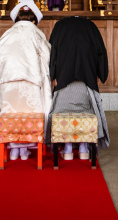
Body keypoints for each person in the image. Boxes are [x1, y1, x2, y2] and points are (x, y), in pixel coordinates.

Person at [0, 0, 52, 161]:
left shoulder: (7, 34)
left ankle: (13, 147)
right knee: (31, 114)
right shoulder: (36, 33)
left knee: (10, 114)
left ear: (17, 19)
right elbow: (47, 56)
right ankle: (26, 147)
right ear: (34, 20)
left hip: (7, 81)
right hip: (31, 80)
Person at [46, 16, 109, 159]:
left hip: (63, 80)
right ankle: (83, 147)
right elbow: (101, 52)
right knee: (86, 112)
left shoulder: (60, 26)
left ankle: (67, 147)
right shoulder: (91, 26)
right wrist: (99, 75)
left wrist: (53, 75)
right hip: (87, 80)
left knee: (62, 113)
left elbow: (52, 52)